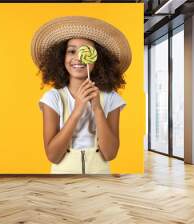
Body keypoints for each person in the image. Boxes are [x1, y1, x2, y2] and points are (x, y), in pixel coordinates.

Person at [31, 16, 132, 174]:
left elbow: (110, 154)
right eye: (71, 51)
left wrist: (97, 109)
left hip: (100, 181)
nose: (78, 57)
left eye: (86, 51)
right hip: (62, 182)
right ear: (61, 57)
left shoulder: (111, 98)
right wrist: (78, 109)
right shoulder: (53, 98)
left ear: (98, 59)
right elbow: (53, 156)